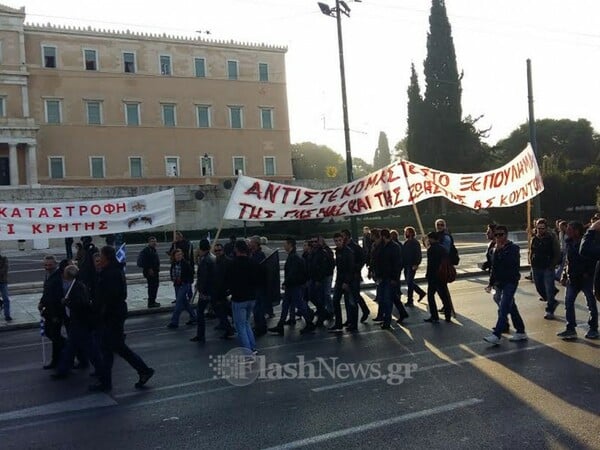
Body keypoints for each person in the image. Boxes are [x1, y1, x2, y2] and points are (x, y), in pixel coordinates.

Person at [89, 246, 154, 392]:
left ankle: (107, 382)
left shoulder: (111, 273)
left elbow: (111, 297)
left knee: (111, 349)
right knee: (115, 348)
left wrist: (102, 312)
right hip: (112, 315)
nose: (99, 259)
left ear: (107, 257)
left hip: (112, 316)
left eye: (101, 256)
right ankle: (141, 371)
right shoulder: (110, 271)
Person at [483, 225, 528, 345]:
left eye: (501, 234)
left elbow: (512, 264)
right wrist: (491, 283)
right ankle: (521, 330)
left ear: (506, 235)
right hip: (499, 282)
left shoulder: (513, 248)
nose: (498, 237)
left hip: (510, 281)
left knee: (503, 307)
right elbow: (494, 268)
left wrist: (500, 251)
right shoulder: (494, 249)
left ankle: (497, 334)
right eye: (496, 235)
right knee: (511, 306)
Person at [51, 265, 96, 379]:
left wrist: (67, 302)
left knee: (81, 347)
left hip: (80, 321)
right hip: (77, 321)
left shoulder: (77, 287)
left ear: (67, 275)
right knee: (73, 347)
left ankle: (63, 370)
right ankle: (65, 369)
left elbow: (81, 304)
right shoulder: (75, 285)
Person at [556, 221, 598, 340]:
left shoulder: (586, 243)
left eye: (569, 229)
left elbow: (592, 260)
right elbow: (568, 260)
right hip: (572, 278)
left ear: (576, 231)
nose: (567, 231)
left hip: (585, 278)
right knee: (568, 302)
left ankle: (593, 328)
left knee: (591, 303)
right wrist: (564, 274)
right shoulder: (569, 242)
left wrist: (588, 273)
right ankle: (570, 328)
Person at [268, 238, 315, 336]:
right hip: (293, 285)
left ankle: (309, 323)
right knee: (286, 305)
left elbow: (292, 273)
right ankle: (280, 325)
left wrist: (285, 282)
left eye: (285, 244)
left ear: (290, 245)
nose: (284, 246)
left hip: (293, 286)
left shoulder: (293, 258)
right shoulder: (294, 257)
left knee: (298, 305)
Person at [225, 240, 260, 352]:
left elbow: (228, 281)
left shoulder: (233, 264)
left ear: (236, 249)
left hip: (239, 298)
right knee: (246, 323)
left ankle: (247, 351)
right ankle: (253, 347)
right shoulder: (253, 262)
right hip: (251, 296)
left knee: (240, 326)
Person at [530, 218, 561, 319]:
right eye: (538, 228)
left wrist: (553, 264)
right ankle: (551, 298)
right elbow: (532, 250)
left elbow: (557, 252)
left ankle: (550, 309)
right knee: (539, 287)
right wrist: (531, 261)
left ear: (546, 228)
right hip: (536, 266)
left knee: (548, 288)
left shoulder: (551, 238)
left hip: (548, 266)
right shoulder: (534, 238)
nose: (540, 230)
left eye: (542, 228)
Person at [373, 229, 403, 330]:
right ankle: (402, 313)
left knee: (387, 299)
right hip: (382, 276)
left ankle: (387, 321)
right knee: (388, 297)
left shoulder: (394, 247)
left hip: (390, 277)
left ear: (383, 236)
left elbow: (397, 264)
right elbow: (377, 260)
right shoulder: (381, 246)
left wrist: (395, 278)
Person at [328, 232, 357, 333]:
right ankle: (338, 323)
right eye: (336, 241)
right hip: (340, 280)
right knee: (336, 301)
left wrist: (346, 281)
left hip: (347, 281)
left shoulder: (348, 252)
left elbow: (350, 268)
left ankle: (353, 324)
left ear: (343, 240)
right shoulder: (338, 252)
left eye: (339, 240)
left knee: (351, 302)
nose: (338, 242)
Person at [341, 229, 370, 323]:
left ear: (347, 236)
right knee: (351, 296)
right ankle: (354, 316)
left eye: (343, 236)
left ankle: (353, 319)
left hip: (354, 275)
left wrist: (356, 268)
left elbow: (362, 259)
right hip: (347, 275)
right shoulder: (344, 247)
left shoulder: (355, 247)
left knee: (353, 296)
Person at [424, 232, 453, 323]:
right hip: (442, 275)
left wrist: (427, 275)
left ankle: (434, 316)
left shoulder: (431, 249)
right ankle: (448, 315)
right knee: (444, 296)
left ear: (432, 239)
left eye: (429, 239)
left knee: (431, 296)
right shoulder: (442, 248)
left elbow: (431, 264)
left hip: (433, 276)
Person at [190, 239, 214, 342]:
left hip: (206, 291)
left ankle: (201, 335)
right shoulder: (212, 258)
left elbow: (204, 277)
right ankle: (228, 327)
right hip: (213, 290)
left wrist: (200, 289)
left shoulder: (205, 261)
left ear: (200, 248)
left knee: (200, 312)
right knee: (221, 310)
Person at [168, 249, 197, 329]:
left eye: (180, 254)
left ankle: (174, 322)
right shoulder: (173, 264)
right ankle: (194, 317)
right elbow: (172, 273)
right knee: (185, 303)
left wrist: (188, 282)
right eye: (177, 255)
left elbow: (191, 273)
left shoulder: (185, 263)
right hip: (177, 285)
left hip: (184, 285)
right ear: (174, 256)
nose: (179, 256)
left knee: (178, 303)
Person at [212, 243, 235, 339]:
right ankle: (230, 325)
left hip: (222, 290)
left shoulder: (225, 261)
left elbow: (223, 278)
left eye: (219, 250)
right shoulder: (217, 261)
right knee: (225, 309)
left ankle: (228, 328)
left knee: (220, 310)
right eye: (216, 250)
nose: (217, 252)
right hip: (221, 289)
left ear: (223, 250)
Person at [248, 236, 268, 337]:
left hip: (259, 285)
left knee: (258, 308)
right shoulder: (254, 254)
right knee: (257, 308)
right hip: (256, 285)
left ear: (255, 244)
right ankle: (259, 326)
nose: (249, 244)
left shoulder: (259, 255)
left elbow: (258, 269)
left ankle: (261, 327)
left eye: (251, 242)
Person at [402, 226, 426, 307]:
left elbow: (418, 254)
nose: (406, 233)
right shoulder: (406, 242)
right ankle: (421, 292)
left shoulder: (415, 242)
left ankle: (410, 300)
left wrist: (416, 264)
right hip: (406, 265)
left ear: (412, 233)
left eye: (408, 232)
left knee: (409, 282)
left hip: (412, 265)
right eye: (406, 232)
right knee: (409, 282)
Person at [137, 236, 161, 308]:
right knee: (152, 287)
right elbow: (140, 262)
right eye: (152, 241)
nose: (154, 243)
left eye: (155, 241)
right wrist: (149, 268)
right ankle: (151, 302)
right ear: (149, 242)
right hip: (150, 272)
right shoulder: (146, 251)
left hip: (155, 271)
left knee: (155, 286)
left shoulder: (153, 250)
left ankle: (153, 301)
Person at [0, 250, 13, 321]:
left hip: (3, 282)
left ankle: (7, 315)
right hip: (2, 280)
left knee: (6, 299)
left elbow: (4, 270)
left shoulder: (4, 259)